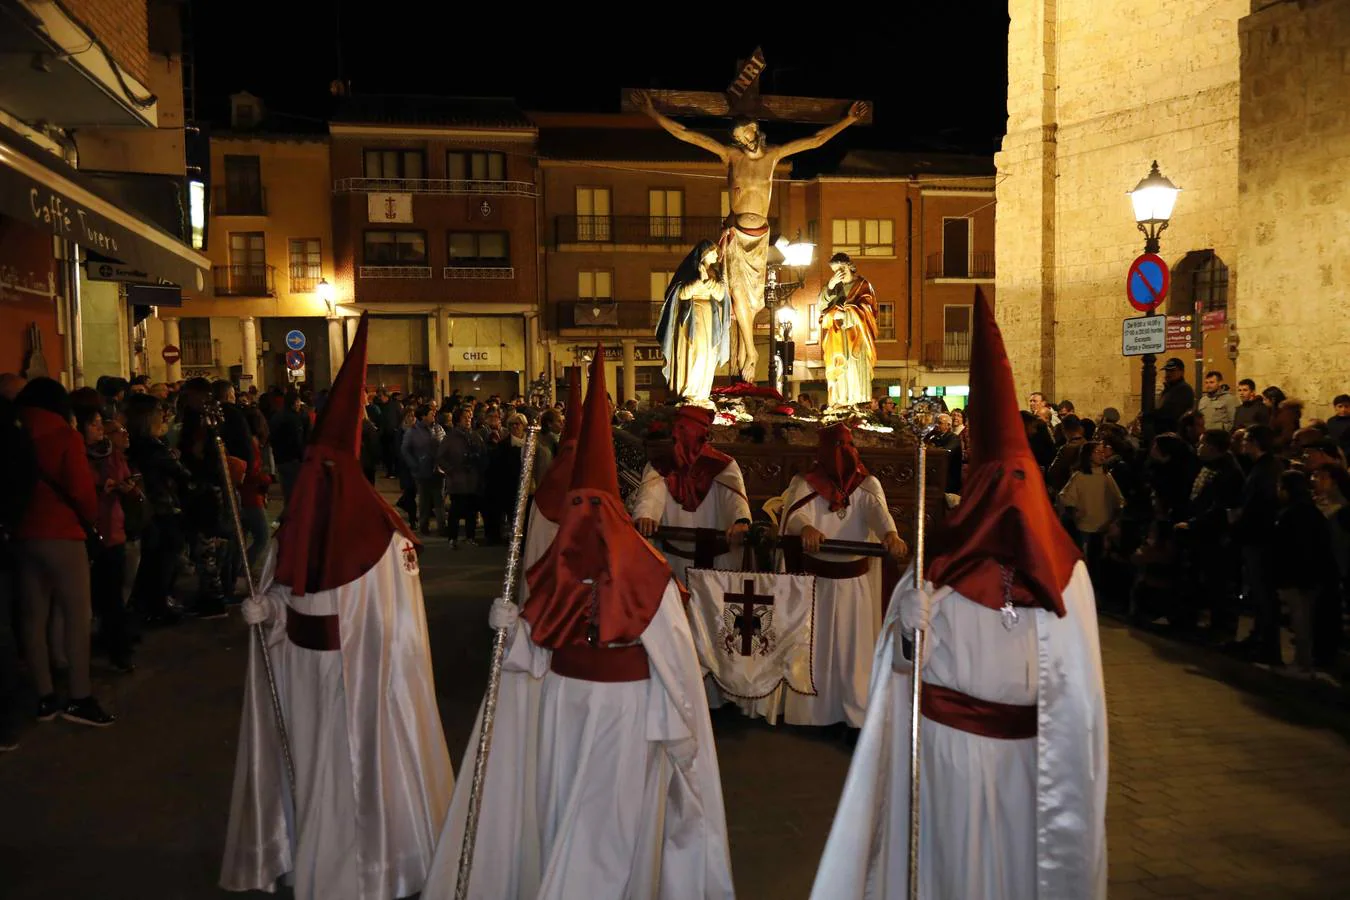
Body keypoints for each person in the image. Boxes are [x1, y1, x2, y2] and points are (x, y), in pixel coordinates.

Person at [810, 288, 1106, 900]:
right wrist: (903, 627)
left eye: (1018, 485)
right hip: (942, 754)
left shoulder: (1067, 577)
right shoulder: (940, 563)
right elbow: (898, 667)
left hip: (1028, 765)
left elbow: (1082, 707)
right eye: (997, 485)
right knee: (945, 873)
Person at [420, 344, 734, 900]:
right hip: (562, 706)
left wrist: (678, 729)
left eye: (597, 506)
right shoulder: (554, 571)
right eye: (578, 505)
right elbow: (531, 655)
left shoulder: (650, 575)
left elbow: (677, 666)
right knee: (561, 808)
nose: (585, 519)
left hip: (626, 714)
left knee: (609, 830)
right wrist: (511, 626)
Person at [223, 314, 454, 899]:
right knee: (306, 770)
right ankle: (307, 861)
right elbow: (285, 589)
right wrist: (267, 612)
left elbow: (401, 634)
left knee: (347, 778)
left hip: (359, 683)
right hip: (302, 672)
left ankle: (362, 875)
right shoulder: (297, 521)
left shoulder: (386, 537)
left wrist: (373, 677)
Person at [638, 87, 866, 380]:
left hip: (759, 237)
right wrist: (652, 113)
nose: (743, 140)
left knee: (755, 295)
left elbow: (815, 140)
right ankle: (750, 349)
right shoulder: (730, 156)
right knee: (736, 292)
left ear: (755, 130)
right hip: (736, 232)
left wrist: (847, 120)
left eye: (746, 133)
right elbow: (687, 134)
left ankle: (748, 351)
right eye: (737, 137)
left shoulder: (773, 156)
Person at [769, 423, 907, 728]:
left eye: (847, 445)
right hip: (816, 585)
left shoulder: (867, 484)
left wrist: (891, 534)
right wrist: (806, 528)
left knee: (852, 650)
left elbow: (878, 513)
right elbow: (795, 514)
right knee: (814, 647)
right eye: (835, 446)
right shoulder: (804, 483)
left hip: (853, 585)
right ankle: (810, 711)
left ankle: (854, 709)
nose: (842, 453)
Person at [13, 378, 114, 726]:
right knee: (76, 615)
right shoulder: (65, 436)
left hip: (23, 533)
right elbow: (82, 492)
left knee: (33, 617)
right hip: (62, 534)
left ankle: (44, 697)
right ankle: (79, 696)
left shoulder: (14, 433)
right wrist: (89, 518)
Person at [632, 405, 751, 585]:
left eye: (682, 429)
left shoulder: (723, 465)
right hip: (672, 555)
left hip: (716, 557)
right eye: (676, 428)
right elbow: (651, 494)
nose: (675, 435)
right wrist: (646, 515)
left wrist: (740, 521)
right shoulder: (660, 465)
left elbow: (734, 499)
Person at [79, 405, 137, 674]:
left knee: (113, 595)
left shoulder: (111, 455)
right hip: (86, 533)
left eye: (101, 423)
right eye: (94, 424)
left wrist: (126, 487)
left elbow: (126, 481)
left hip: (112, 530)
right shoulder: (77, 455)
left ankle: (118, 650)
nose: (100, 429)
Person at [655, 240, 731, 403]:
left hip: (710, 319)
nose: (717, 255)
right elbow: (680, 294)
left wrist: (707, 281)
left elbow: (720, 295)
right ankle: (689, 390)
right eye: (713, 252)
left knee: (707, 356)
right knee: (694, 354)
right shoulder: (689, 272)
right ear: (704, 254)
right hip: (691, 319)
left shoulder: (715, 274)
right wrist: (698, 281)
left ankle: (702, 392)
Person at [818, 253, 880, 409]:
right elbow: (821, 307)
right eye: (835, 270)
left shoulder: (863, 285)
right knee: (839, 369)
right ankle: (839, 401)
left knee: (854, 369)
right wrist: (830, 287)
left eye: (842, 268)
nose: (839, 272)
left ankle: (856, 402)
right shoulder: (833, 287)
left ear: (850, 266)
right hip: (838, 335)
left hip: (857, 335)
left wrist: (847, 313)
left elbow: (868, 309)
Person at [1058, 441, 1125, 582]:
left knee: (1098, 559)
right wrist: (1074, 511)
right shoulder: (1080, 476)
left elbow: (1117, 499)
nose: (1102, 455)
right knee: (1085, 559)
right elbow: (1066, 497)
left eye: (1103, 451)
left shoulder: (1106, 476)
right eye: (1097, 452)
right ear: (1088, 455)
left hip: (1104, 524)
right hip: (1086, 524)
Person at [437, 406, 486, 549]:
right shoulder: (450, 438)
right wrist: (450, 470)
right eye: (465, 417)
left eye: (470, 417)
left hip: (473, 480)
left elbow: (483, 454)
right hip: (457, 482)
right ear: (458, 420)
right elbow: (440, 457)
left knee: (471, 511)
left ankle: (470, 537)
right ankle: (452, 538)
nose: (468, 420)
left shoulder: (475, 436)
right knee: (455, 512)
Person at [402, 404, 442, 537]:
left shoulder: (438, 428)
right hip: (422, 471)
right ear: (423, 416)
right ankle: (424, 526)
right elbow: (405, 450)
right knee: (424, 501)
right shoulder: (412, 431)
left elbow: (444, 445)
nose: (434, 416)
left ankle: (442, 526)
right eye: (431, 414)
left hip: (438, 470)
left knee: (439, 500)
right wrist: (415, 464)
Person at [269, 390, 310, 503]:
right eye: (298, 402)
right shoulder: (294, 419)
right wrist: (303, 457)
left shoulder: (277, 416)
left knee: (288, 491)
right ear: (294, 402)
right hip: (293, 459)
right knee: (296, 493)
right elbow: (297, 441)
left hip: (280, 459)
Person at [925, 413, 963, 495]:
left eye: (940, 423)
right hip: (935, 475)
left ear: (948, 425)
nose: (936, 425)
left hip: (948, 478)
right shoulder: (934, 438)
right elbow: (924, 445)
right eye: (935, 423)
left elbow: (945, 452)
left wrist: (932, 449)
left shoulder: (954, 438)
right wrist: (930, 433)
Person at [1156, 357, 1196, 434]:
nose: (1168, 373)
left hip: (1175, 434)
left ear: (1181, 372)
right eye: (1167, 370)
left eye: (1172, 371)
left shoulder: (1184, 389)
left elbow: (1172, 414)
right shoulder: (1168, 389)